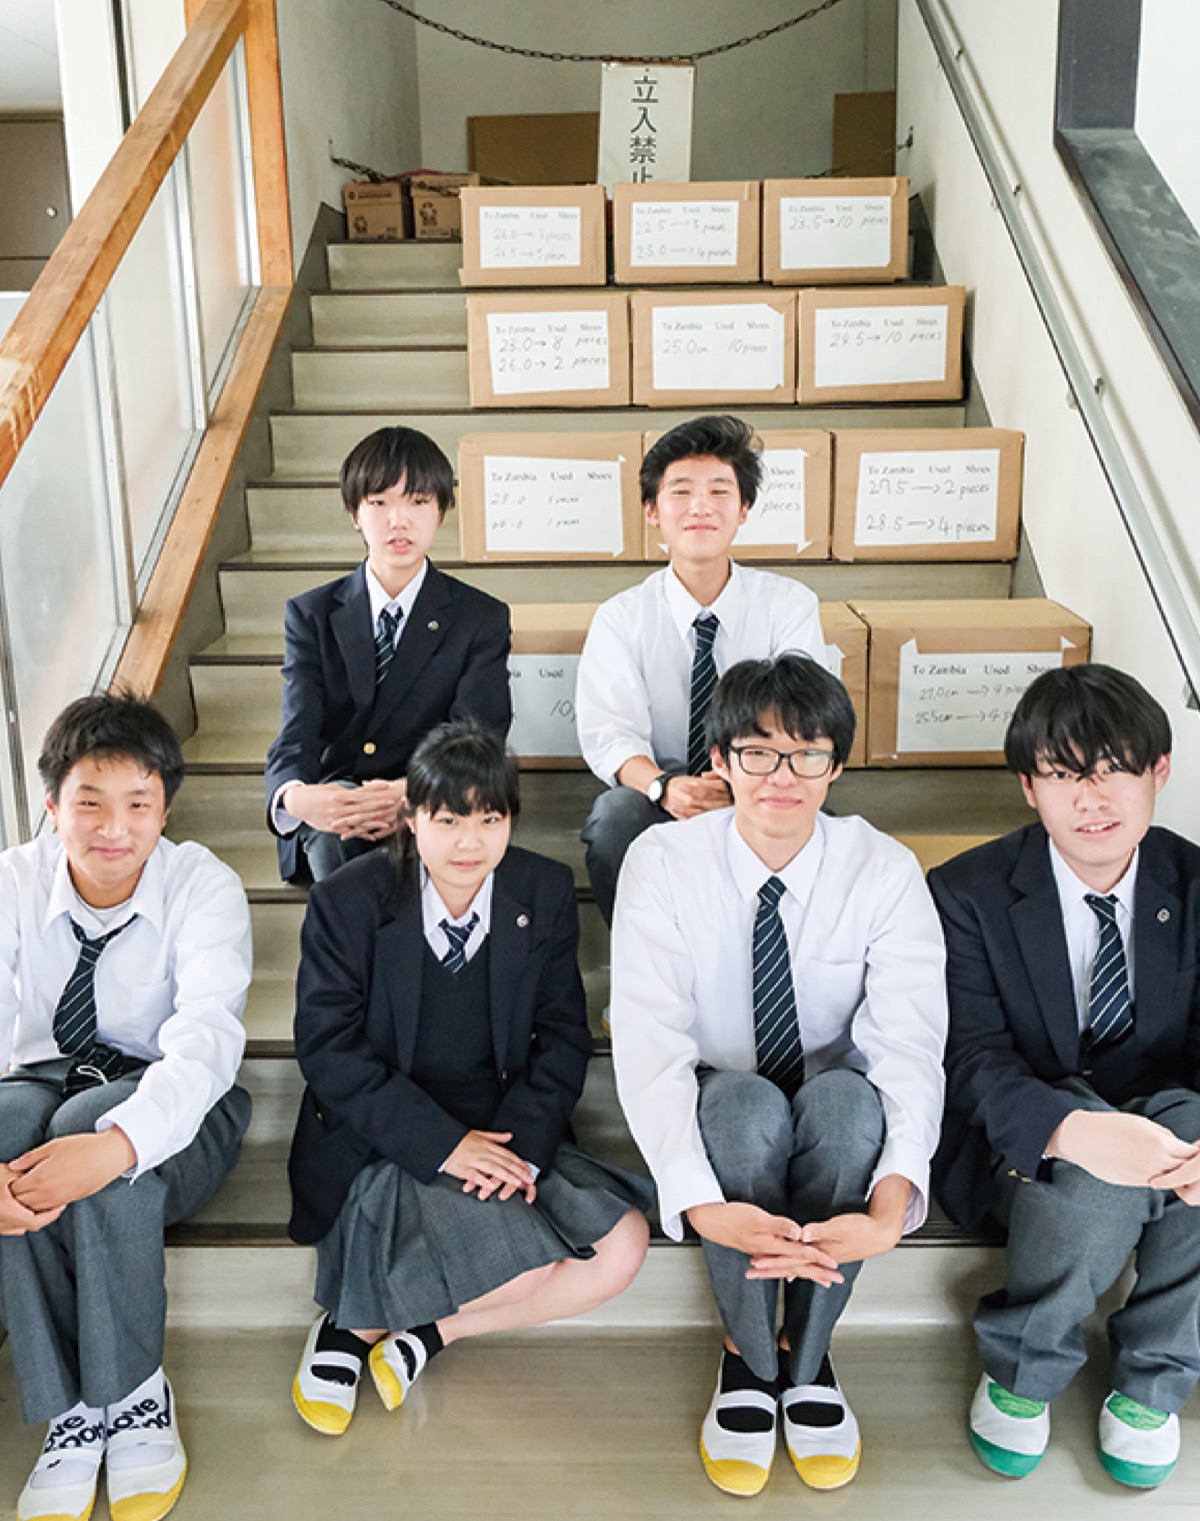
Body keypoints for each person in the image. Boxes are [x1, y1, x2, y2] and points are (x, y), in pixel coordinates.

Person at [610, 654, 947, 1497]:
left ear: (837, 765)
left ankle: (810, 1354)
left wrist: (893, 1202)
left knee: (848, 1105)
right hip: (725, 1096)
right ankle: (749, 1357)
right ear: (718, 760)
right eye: (758, 752)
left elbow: (909, 1043)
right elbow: (649, 1042)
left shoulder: (884, 868)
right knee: (742, 1108)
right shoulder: (661, 861)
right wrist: (697, 1200)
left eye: (807, 753)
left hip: (838, 1109)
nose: (782, 776)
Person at [287, 720, 651, 1436]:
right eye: (448, 820)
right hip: (386, 1134)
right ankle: (350, 1325)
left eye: (490, 820)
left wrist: (516, 1151)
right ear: (412, 818)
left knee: (625, 1244)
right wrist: (446, 1147)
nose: (469, 842)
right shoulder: (348, 900)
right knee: (520, 1263)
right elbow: (328, 1051)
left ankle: (425, 1333)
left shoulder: (542, 891)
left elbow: (564, 1037)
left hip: (503, 1126)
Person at [929, 663, 1200, 1489]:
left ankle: (1153, 1380)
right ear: (1028, 786)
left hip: (1163, 1111)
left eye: (1114, 767)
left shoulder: (1196, 884)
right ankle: (1023, 1367)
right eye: (1063, 774)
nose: (1092, 798)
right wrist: (1074, 1130)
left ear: (1159, 770)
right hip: (1020, 1135)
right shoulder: (965, 893)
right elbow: (969, 1058)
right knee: (1096, 1178)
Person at [0, 692, 252, 1521]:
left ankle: (135, 1392)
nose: (115, 827)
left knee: (92, 1125)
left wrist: (118, 1144)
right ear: (50, 805)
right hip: (41, 1084)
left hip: (181, 1109)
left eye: (138, 803)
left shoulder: (203, 884)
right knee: (8, 1130)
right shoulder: (11, 882)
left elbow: (206, 1045)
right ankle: (71, 1409)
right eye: (90, 802)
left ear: (165, 807)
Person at [576, 414, 828, 923]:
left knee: (824, 824)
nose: (700, 507)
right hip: (660, 793)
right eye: (681, 491)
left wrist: (743, 784)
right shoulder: (622, 618)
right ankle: (639, 964)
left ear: (744, 508)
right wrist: (666, 788)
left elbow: (804, 718)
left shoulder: (788, 605)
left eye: (719, 491)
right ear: (652, 510)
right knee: (614, 818)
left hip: (764, 779)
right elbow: (612, 736)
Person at [265, 425, 512, 884]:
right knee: (337, 834)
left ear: (442, 510)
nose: (399, 521)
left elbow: (479, 733)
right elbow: (298, 728)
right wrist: (296, 797)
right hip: (341, 804)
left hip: (437, 798)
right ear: (354, 513)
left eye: (418, 502)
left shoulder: (480, 617)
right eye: (379, 502)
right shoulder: (312, 614)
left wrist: (413, 793)